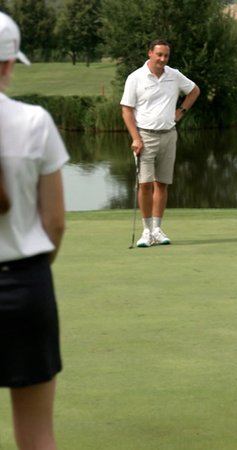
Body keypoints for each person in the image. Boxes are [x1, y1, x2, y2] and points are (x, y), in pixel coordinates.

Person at [0, 11, 68, 449]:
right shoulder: (35, 121)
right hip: (26, 286)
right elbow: (55, 223)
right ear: (8, 64)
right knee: (37, 435)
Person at [121, 39, 200, 248]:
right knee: (145, 184)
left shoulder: (173, 75)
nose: (163, 59)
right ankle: (146, 232)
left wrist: (180, 112)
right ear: (150, 53)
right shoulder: (135, 78)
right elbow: (126, 110)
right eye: (159, 55)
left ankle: (157, 229)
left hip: (168, 134)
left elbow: (194, 91)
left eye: (166, 55)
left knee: (162, 183)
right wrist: (135, 138)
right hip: (144, 137)